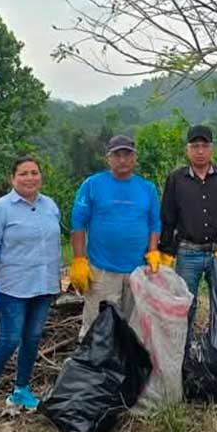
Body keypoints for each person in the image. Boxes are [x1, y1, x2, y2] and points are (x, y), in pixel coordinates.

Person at [0, 158, 62, 431]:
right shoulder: (0, 209)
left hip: (44, 286)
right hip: (13, 288)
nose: (30, 178)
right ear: (13, 178)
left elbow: (53, 245)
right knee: (9, 340)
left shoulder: (50, 206)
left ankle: (21, 389)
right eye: (23, 174)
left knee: (32, 338)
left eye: (34, 173)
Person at [69, 135, 162, 340]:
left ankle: (127, 370)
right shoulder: (92, 185)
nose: (122, 160)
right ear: (108, 158)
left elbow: (154, 223)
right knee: (97, 328)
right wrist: (78, 259)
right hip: (102, 270)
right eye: (117, 155)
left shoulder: (147, 188)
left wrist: (153, 250)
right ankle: (93, 370)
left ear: (134, 158)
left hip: (137, 270)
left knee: (133, 328)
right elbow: (78, 223)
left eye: (127, 154)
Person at [157, 124, 217, 336]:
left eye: (204, 146)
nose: (200, 151)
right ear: (187, 150)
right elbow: (167, 217)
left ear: (211, 149)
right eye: (195, 146)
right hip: (188, 252)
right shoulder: (176, 179)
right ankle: (184, 355)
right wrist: (166, 251)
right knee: (185, 306)